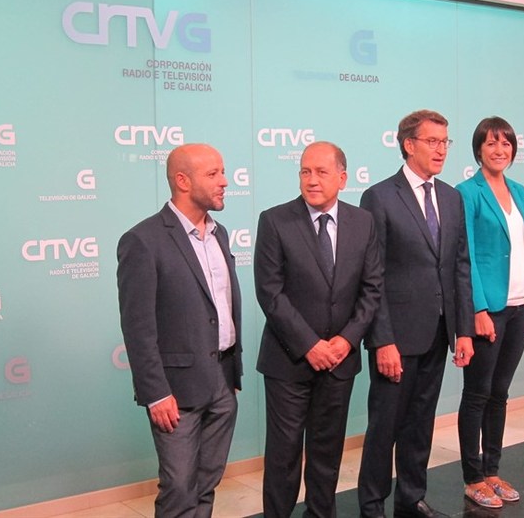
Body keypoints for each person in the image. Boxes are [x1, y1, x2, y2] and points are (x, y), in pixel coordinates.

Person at [255, 141, 383, 518]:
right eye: (305, 172)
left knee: (327, 455)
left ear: (342, 178)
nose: (311, 180)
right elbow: (270, 292)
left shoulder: (363, 222)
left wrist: (346, 340)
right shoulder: (275, 220)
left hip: (339, 363)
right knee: (283, 457)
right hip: (288, 362)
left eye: (321, 172)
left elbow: (372, 288)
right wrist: (310, 345)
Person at [358, 110, 475, 518]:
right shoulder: (379, 196)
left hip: (440, 331)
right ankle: (372, 506)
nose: (441, 149)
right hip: (396, 337)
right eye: (432, 141)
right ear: (409, 144)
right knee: (383, 428)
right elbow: (371, 276)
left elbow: (460, 265)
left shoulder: (450, 196)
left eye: (446, 142)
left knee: (421, 423)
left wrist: (463, 330)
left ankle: (411, 498)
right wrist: (382, 339)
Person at [116, 143, 242, 517]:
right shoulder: (143, 240)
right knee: (178, 490)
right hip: (176, 393)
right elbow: (138, 327)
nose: (225, 181)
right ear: (183, 181)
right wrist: (156, 394)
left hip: (222, 381)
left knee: (207, 483)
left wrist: (230, 373)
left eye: (223, 172)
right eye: (214, 174)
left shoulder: (219, 233)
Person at [455, 116, 524, 509]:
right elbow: (468, 256)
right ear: (479, 149)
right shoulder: (467, 192)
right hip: (489, 309)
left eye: (506, 144)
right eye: (492, 143)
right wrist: (476, 307)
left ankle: (492, 469)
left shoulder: (520, 190)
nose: (500, 150)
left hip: (521, 304)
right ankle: (473, 477)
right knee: (476, 394)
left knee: (500, 393)